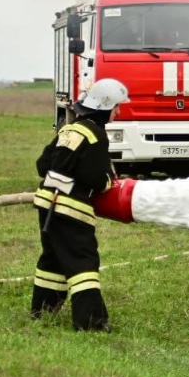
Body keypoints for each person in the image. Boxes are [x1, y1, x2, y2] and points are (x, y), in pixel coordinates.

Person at [32, 78, 129, 332]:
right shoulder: (95, 135)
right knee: (83, 263)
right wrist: (109, 182)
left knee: (52, 261)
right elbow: (96, 179)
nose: (118, 112)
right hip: (70, 209)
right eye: (117, 107)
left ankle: (42, 312)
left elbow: (43, 166)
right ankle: (91, 323)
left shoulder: (69, 129)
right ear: (105, 106)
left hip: (47, 202)